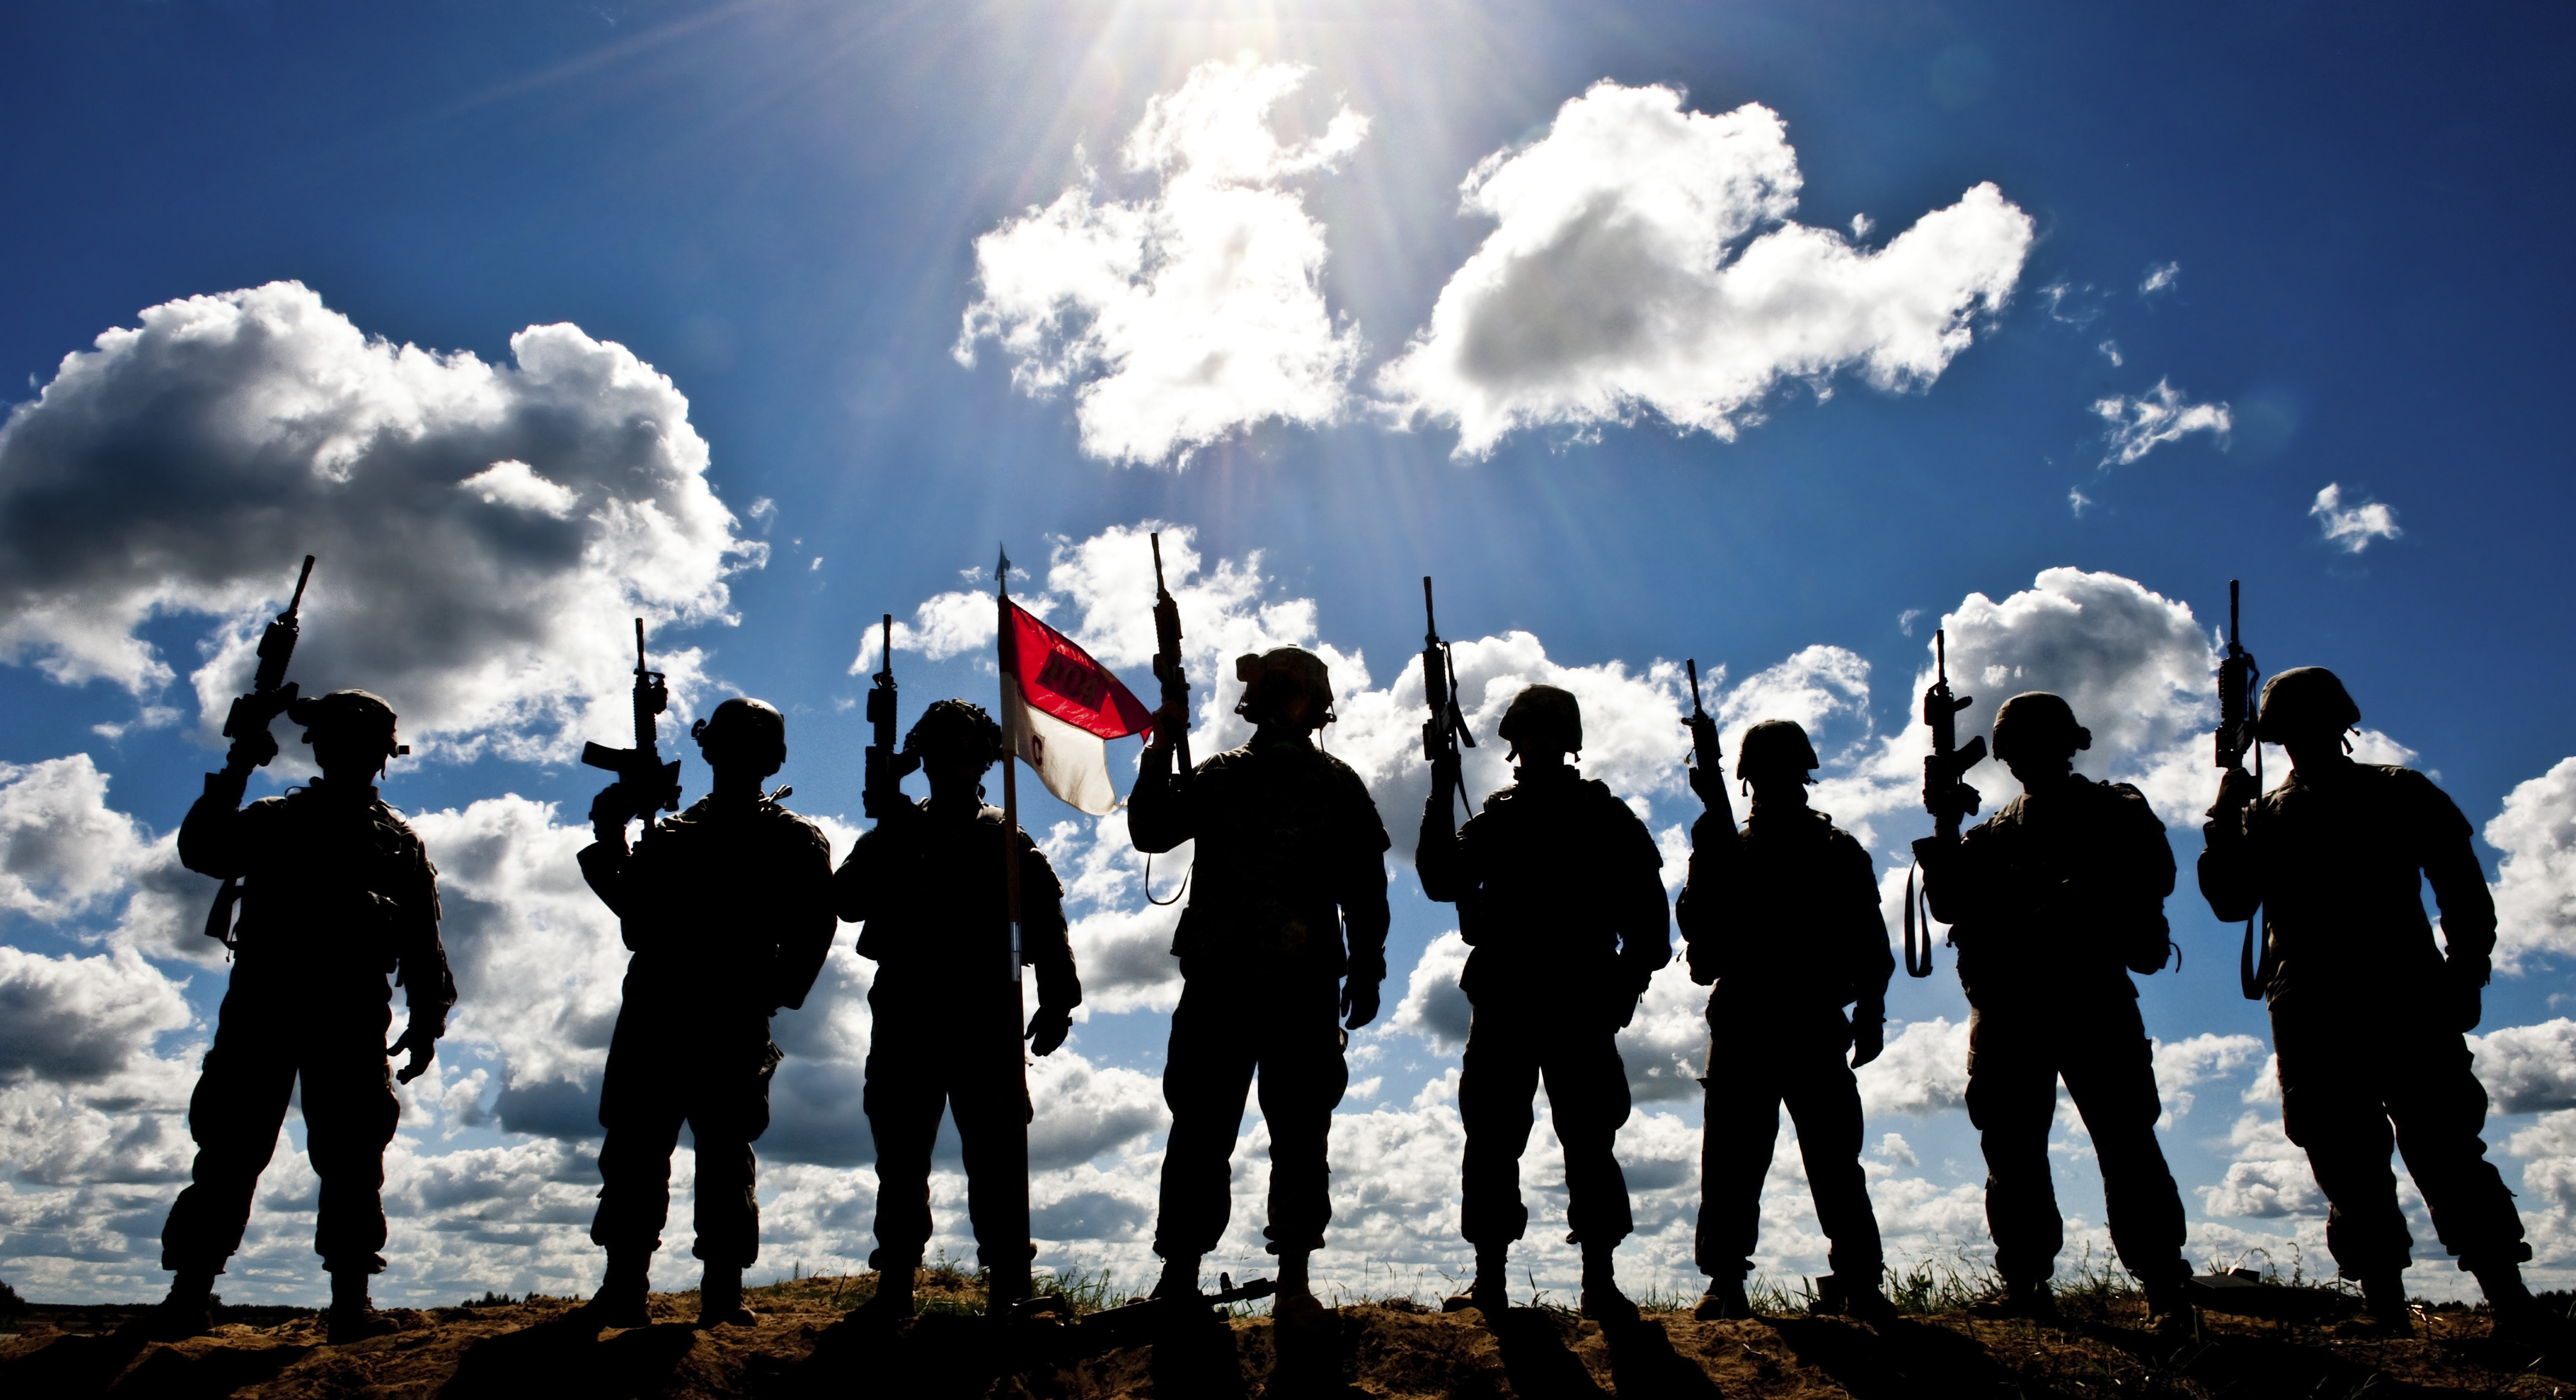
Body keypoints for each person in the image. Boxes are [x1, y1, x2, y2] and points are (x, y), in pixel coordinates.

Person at [2200, 666, 2541, 1339]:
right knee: (2345, 1155)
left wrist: (2467, 970)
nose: (2305, 740)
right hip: (2319, 1004)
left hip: (2398, 994)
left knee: (2441, 1146)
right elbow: (2231, 901)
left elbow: (2462, 888)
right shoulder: (2263, 814)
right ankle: (2389, 1305)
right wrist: (2223, 816)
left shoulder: (2396, 791)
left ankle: (2508, 1301)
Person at [149, 689, 453, 1344]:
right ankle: (190, 1293)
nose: (355, 755)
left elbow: (425, 939)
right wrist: (236, 765)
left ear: (380, 756)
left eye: (363, 744)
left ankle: (348, 1300)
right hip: (266, 1006)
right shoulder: (273, 818)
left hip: (346, 1014)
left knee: (350, 1153)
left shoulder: (397, 840)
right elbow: (203, 849)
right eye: (344, 742)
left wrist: (429, 1013)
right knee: (233, 1145)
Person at [1912, 692, 2194, 1325]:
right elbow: (1950, 905)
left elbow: (2155, 870)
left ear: (2068, 745)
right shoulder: (1992, 832)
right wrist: (1945, 827)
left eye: (2037, 744)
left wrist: (2070, 890)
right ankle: (2025, 1280)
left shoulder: (2113, 808)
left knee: (2125, 1140)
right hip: (2010, 1005)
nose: (2023, 759)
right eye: (2015, 748)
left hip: (2089, 995)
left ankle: (2165, 1287)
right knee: (2010, 1145)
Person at [1129, 646, 1391, 1315]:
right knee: (1200, 1127)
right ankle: (1180, 1273)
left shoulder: (1339, 785)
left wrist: (1367, 965)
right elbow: (1152, 828)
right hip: (1220, 981)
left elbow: (1366, 890)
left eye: (1290, 689)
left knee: (1302, 1130)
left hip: (1303, 987)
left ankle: (1295, 1278)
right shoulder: (1217, 775)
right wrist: (1160, 748)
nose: (1279, 700)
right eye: (1271, 688)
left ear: (1315, 704)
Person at [575, 698, 835, 1329]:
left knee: (724, 1153)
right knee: (636, 1148)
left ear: (773, 758)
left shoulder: (793, 839)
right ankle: (625, 1285)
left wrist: (770, 990)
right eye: (732, 742)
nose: (743, 755)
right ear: (710, 750)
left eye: (756, 744)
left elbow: (815, 925)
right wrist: (610, 834)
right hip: (658, 1008)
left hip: (731, 1015)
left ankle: (722, 1291)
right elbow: (635, 918)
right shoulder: (671, 834)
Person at [1416, 684, 1669, 1324]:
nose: (1536, 745)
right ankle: (1490, 1278)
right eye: (1527, 734)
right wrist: (1442, 784)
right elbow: (1441, 879)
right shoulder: (1496, 819)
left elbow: (1649, 920)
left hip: (1581, 996)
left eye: (1548, 734)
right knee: (1492, 1137)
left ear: (1569, 742)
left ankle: (1600, 1281)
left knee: (1590, 1138)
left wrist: (1625, 985)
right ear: (1513, 743)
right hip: (1505, 996)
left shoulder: (1607, 818)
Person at [836, 699, 1080, 1319]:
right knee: (901, 1150)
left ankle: (1009, 1285)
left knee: (998, 1156)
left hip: (983, 1015)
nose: (952, 762)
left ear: (983, 761)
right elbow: (846, 899)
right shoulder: (897, 830)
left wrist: (1057, 999)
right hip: (908, 1012)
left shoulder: (1003, 835)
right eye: (940, 749)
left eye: (966, 750)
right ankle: (895, 1283)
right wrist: (890, 822)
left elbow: (1047, 924)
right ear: (922, 758)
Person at [1678, 719, 1895, 1324]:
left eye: (1783, 772)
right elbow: (1697, 928)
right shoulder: (1728, 846)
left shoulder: (1836, 850)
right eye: (1764, 774)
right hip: (1746, 1017)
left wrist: (1872, 1013)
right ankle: (1725, 1277)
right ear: (1748, 780)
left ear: (1801, 774)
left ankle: (1860, 1279)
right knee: (1731, 1160)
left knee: (1832, 1158)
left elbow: (1870, 943)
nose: (1774, 785)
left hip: (1811, 1017)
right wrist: (1709, 846)